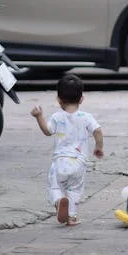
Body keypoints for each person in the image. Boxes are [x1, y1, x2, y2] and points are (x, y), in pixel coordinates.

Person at [31, 74, 104, 226]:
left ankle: (58, 200)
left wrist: (39, 117)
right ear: (82, 99)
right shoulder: (86, 117)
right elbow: (97, 130)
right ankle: (71, 216)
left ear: (58, 99)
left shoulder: (57, 117)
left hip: (60, 162)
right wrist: (98, 147)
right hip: (78, 162)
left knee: (56, 186)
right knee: (74, 190)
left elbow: (47, 131)